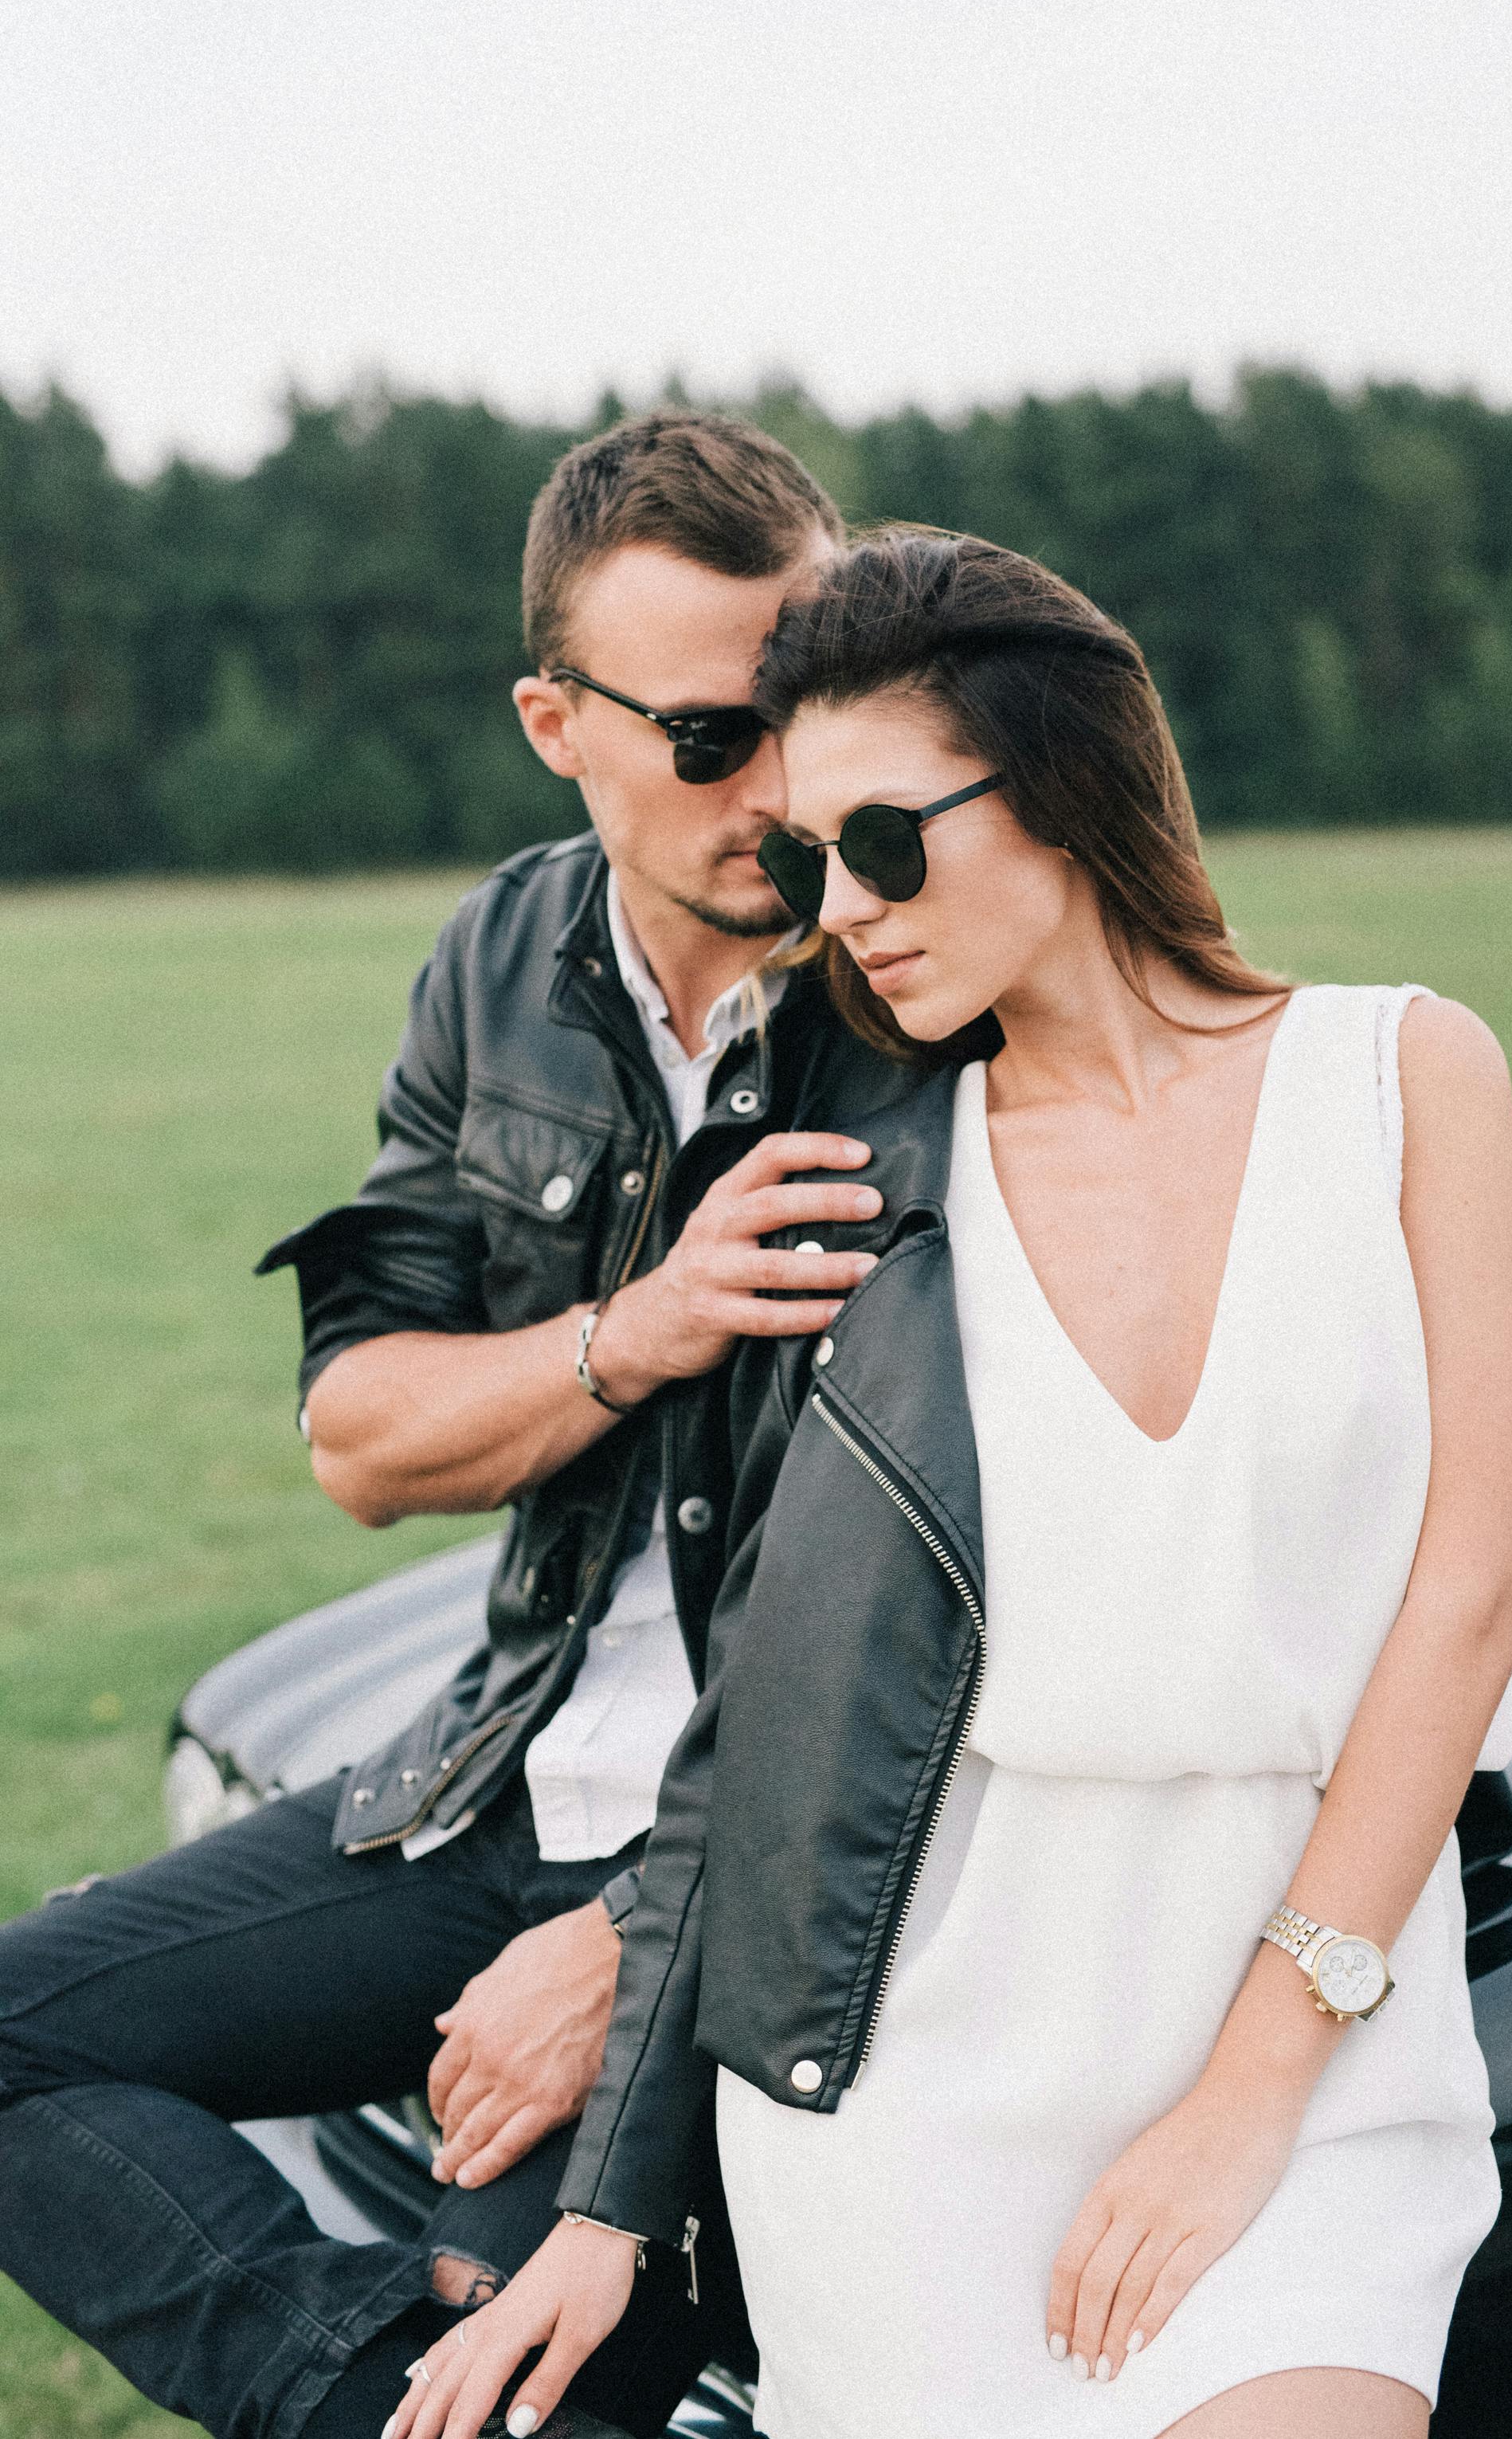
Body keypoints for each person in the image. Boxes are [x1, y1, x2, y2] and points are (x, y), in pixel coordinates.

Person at [386, 528, 1512, 2439]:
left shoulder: (1407, 1078)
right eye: (810, 860)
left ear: (1064, 782)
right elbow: (757, 1723)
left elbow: (1461, 1606)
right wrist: (612, 2199)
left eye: (886, 841)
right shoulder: (861, 1190)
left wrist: (1251, 2088)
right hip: (916, 2093)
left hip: (1314, 2047)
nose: (841, 907)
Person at [0, 412, 912, 2439]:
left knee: (521, 2360)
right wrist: (638, 1329)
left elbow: (959, 1614)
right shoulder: (502, 957)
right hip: (495, 1781)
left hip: (757, 1856)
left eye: (807, 708)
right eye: (705, 735)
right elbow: (362, 1433)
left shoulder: (926, 988)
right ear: (551, 723)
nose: (778, 787)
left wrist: (623, 1941)